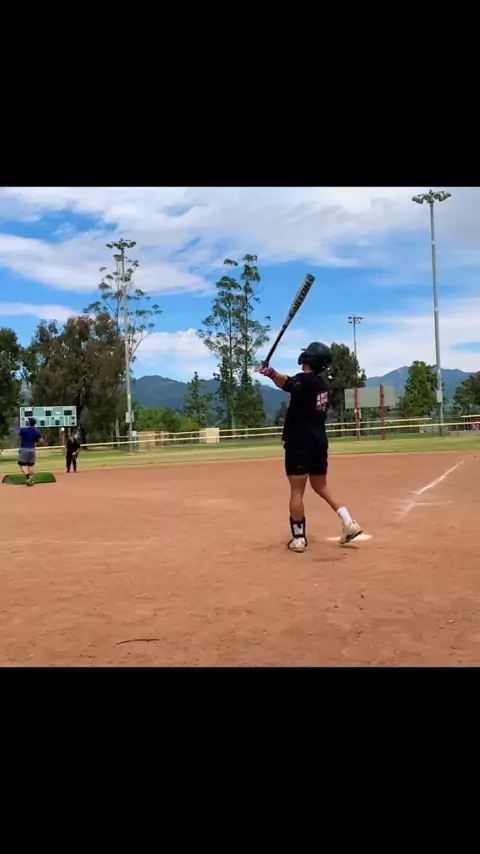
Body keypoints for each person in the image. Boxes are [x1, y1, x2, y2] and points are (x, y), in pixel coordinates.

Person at [258, 341, 362, 552]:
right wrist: (271, 373)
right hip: (319, 442)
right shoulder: (322, 385)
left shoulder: (304, 380)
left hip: (299, 442)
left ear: (308, 358)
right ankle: (348, 522)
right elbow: (292, 384)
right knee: (321, 486)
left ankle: (299, 538)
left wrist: (270, 372)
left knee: (297, 491)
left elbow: (288, 383)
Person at [18, 417, 42, 486]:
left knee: (22, 464)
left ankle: (29, 478)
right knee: (31, 464)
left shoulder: (23, 430)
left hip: (24, 448)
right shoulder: (36, 432)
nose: (26, 421)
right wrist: (34, 441)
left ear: (29, 423)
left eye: (27, 421)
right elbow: (40, 441)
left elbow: (21, 437)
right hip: (32, 449)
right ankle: (32, 479)